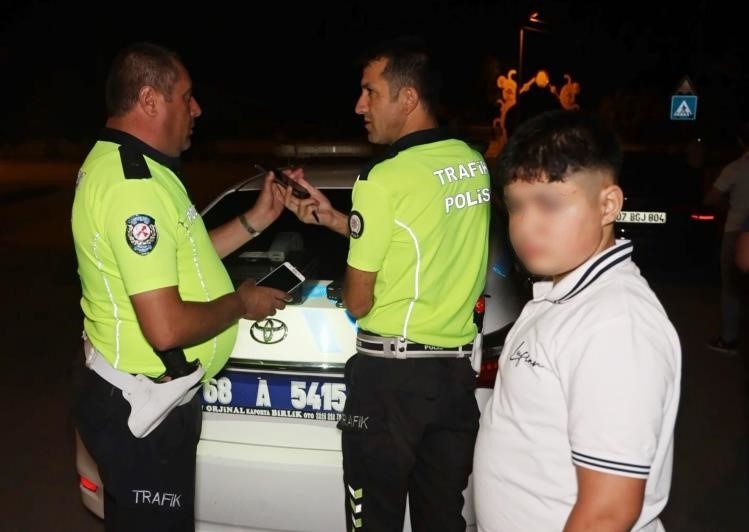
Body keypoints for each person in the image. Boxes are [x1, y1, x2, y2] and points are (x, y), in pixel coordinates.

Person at [70, 42, 292, 531]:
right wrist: (240, 303)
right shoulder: (134, 186)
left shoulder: (140, 167)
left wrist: (254, 221)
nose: (197, 110)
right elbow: (165, 328)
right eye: (187, 97)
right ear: (150, 100)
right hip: (142, 411)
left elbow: (177, 261)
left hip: (148, 399)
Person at [282, 36, 490, 531]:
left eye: (370, 92)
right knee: (442, 519)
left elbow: (358, 301)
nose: (360, 106)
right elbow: (418, 238)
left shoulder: (382, 179)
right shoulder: (473, 163)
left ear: (408, 97)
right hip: (453, 379)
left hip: (390, 383)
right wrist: (339, 221)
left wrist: (353, 245)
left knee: (372, 519)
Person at [473, 109, 681, 531]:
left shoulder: (614, 325)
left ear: (608, 205)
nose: (526, 225)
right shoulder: (566, 294)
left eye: (549, 204)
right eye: (516, 206)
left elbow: (608, 512)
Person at [704, 121, 749, 354]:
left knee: (731, 287)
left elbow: (711, 198)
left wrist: (728, 207)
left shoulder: (736, 168)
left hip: (737, 231)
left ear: (741, 142)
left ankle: (729, 339)